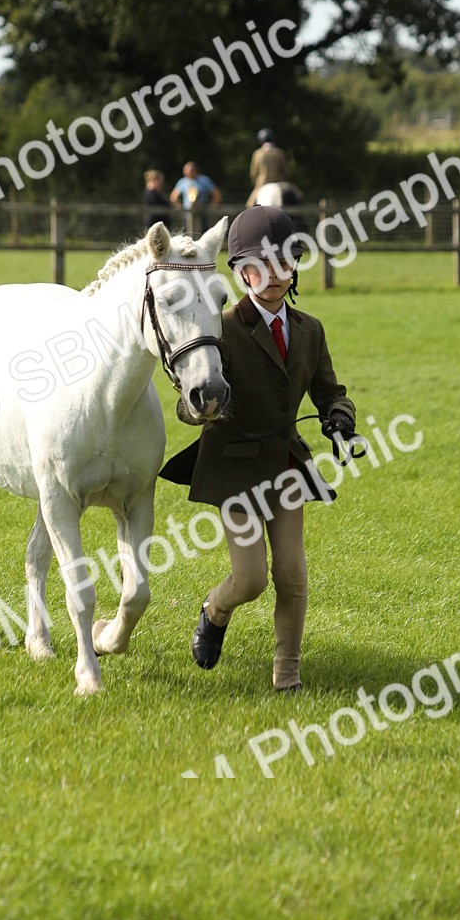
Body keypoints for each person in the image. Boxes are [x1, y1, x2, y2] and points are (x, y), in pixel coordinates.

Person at [159, 206, 356, 693]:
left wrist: (341, 419)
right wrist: (198, 409)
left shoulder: (310, 329)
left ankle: (287, 674)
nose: (273, 275)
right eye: (260, 266)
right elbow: (189, 400)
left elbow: (331, 392)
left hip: (287, 464)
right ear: (241, 271)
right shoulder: (221, 328)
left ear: (294, 267)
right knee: (251, 579)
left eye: (283, 263)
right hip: (236, 467)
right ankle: (215, 609)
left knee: (292, 575)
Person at [169, 160, 222, 233]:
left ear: (195, 170)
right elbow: (173, 197)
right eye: (186, 171)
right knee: (186, 234)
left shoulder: (204, 180)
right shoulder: (182, 182)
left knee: (202, 234)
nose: (187, 173)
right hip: (187, 214)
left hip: (202, 213)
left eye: (190, 170)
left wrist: (212, 207)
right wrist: (180, 208)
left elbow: (217, 194)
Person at [247, 128, 290, 207]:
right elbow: (286, 171)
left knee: (249, 205)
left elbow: (253, 174)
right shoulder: (280, 153)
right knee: (299, 196)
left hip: (262, 183)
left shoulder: (257, 154)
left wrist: (255, 183)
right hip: (280, 182)